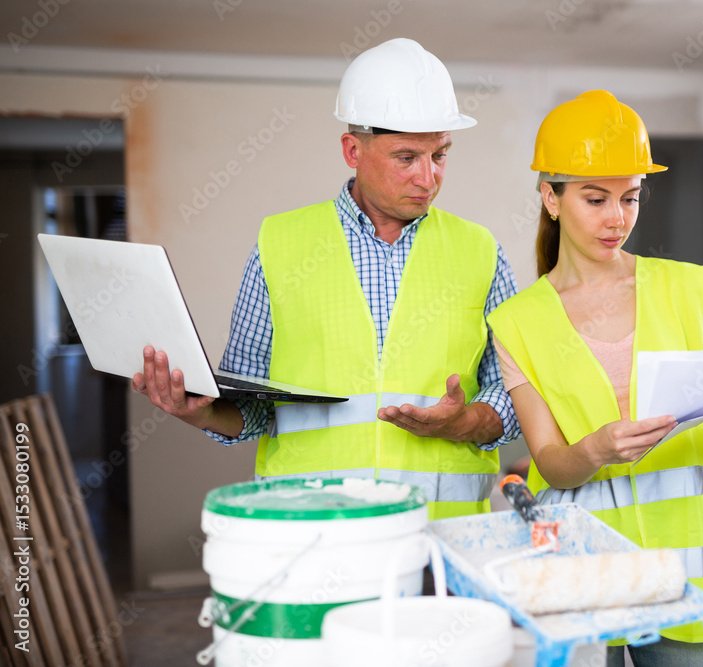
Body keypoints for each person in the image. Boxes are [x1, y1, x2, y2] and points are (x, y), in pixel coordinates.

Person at [131, 38, 520, 520]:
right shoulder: (281, 243)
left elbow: (516, 396)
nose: (428, 178)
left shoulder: (480, 250)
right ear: (352, 150)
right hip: (311, 531)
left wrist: (463, 422)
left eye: (440, 155)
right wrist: (200, 411)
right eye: (406, 157)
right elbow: (252, 406)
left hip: (442, 538)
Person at [487, 90, 703, 666]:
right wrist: (598, 449)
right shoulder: (516, 320)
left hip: (685, 566)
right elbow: (550, 461)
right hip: (582, 566)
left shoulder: (685, 287)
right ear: (550, 199)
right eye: (595, 198)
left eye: (630, 198)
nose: (617, 218)